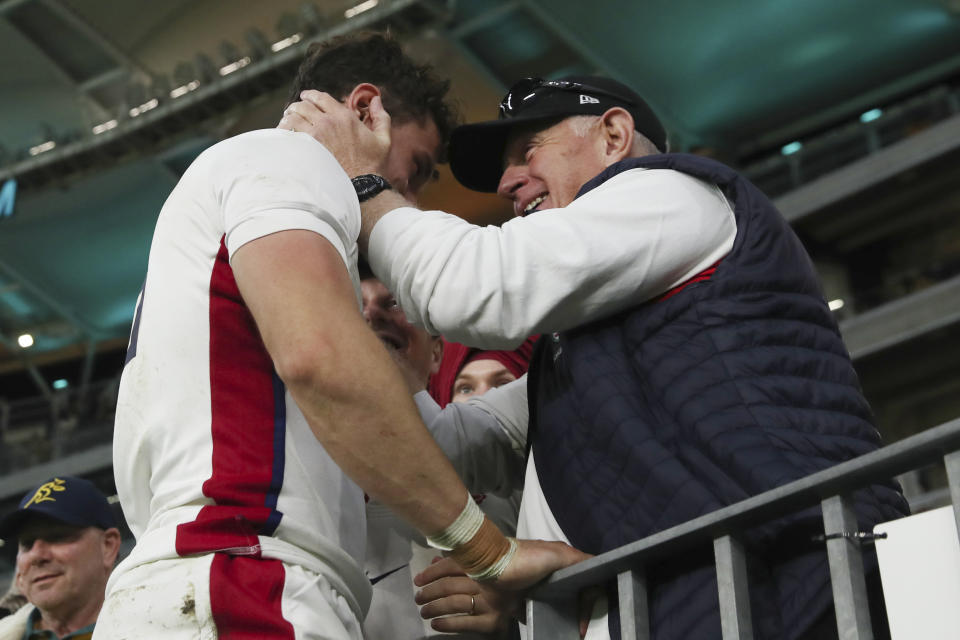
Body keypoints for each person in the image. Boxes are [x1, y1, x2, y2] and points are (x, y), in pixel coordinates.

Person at [281, 74, 910, 639]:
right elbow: (450, 445)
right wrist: (329, 315)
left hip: (778, 582)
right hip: (706, 593)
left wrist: (362, 186)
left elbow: (476, 286)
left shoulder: (674, 192)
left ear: (613, 134)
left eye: (527, 152)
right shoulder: (588, 346)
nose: (506, 183)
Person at [98, 33, 585, 639]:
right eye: (418, 171)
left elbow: (404, 424)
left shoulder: (216, 212)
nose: (408, 198)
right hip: (246, 578)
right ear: (364, 110)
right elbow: (319, 359)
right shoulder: (287, 160)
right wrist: (491, 551)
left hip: (198, 579)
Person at [361, 267, 533, 639]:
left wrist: (519, 603)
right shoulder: (299, 459)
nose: (370, 315)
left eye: (392, 302)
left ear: (437, 353)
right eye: (353, 307)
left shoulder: (530, 479)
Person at [0, 476, 121, 640]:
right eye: (27, 544)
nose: (36, 555)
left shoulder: (159, 628)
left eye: (56, 537)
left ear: (108, 546)